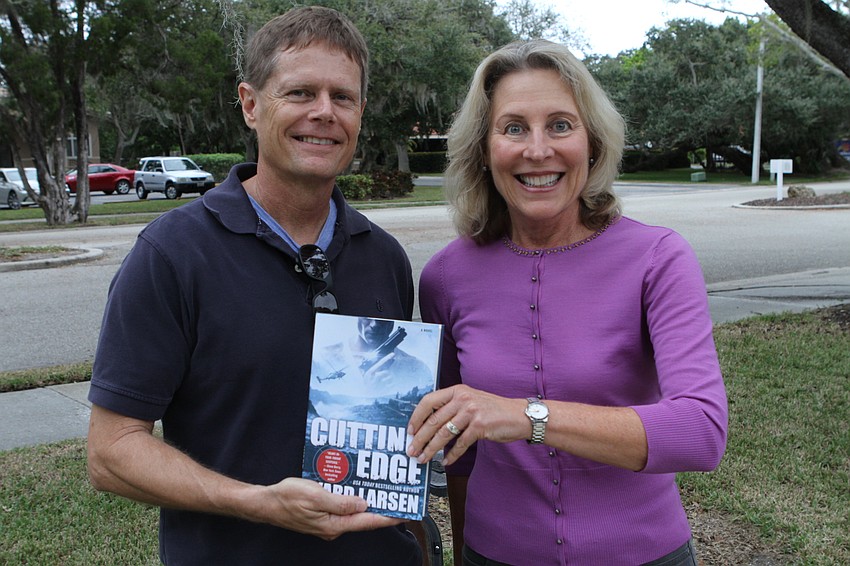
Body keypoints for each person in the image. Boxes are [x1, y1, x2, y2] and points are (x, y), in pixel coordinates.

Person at [86, 7, 423, 565]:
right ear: (250, 103)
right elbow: (111, 451)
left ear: (361, 112)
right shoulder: (172, 254)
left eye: (343, 97)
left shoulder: (383, 255)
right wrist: (259, 503)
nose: (324, 112)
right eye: (299, 93)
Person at [406, 39, 728, 566]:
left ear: (593, 143)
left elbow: (700, 431)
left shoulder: (657, 258)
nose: (537, 150)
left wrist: (526, 415)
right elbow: (458, 449)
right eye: (513, 128)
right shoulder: (445, 276)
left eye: (560, 125)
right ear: (484, 152)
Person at [312, 316, 434, 397]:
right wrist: (368, 394)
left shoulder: (417, 368)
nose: (375, 324)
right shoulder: (323, 359)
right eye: (367, 317)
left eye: (383, 319)